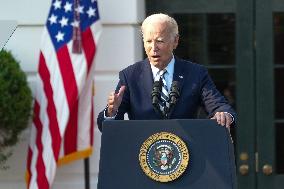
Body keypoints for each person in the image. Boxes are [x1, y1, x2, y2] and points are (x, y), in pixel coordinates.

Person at [97, 13, 236, 132]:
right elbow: (107, 126)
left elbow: (219, 106)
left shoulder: (195, 73)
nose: (153, 48)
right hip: (143, 155)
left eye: (159, 41)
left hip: (185, 153)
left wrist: (222, 114)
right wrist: (111, 111)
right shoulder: (130, 76)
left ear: (175, 41)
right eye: (148, 41)